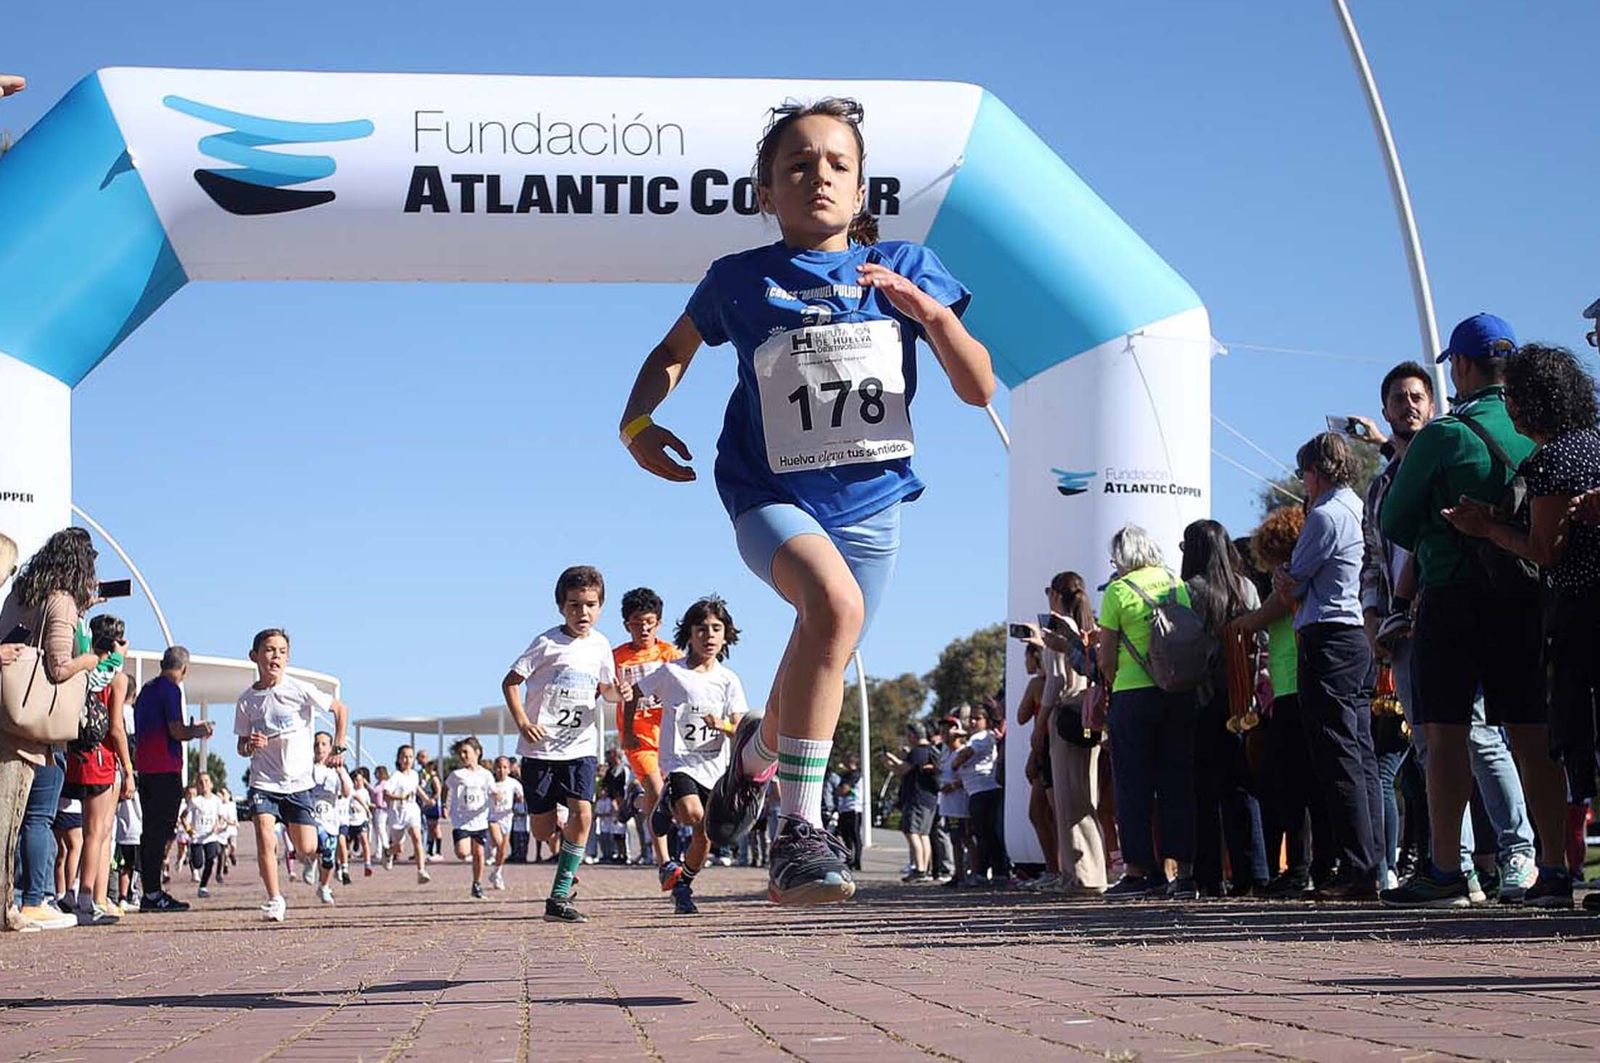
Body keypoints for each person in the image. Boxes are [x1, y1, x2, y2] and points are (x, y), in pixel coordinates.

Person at [619, 97, 994, 906]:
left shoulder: (905, 266)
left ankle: (754, 757)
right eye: (797, 165)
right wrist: (637, 421)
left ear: (861, 188)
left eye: (836, 164)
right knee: (833, 606)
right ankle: (799, 832)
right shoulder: (738, 279)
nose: (818, 176)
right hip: (767, 492)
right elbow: (670, 352)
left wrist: (929, 314)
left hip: (873, 504)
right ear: (766, 191)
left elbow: (979, 387)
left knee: (818, 649)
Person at [1380, 315, 1570, 907]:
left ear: (1460, 366)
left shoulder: (1444, 435)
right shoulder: (1538, 431)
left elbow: (1394, 520)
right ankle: (1554, 868)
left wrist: (1440, 535)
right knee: (1531, 733)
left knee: (1446, 734)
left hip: (1453, 596)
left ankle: (1446, 871)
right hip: (1526, 594)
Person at [1359, 361, 1536, 903]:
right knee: (1431, 745)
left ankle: (1519, 852)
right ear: (1385, 410)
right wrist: (1375, 615)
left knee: (1480, 736)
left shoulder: (1453, 445)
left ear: (1433, 404)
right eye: (1398, 398)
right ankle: (1453, 867)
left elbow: (1413, 533)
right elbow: (1375, 554)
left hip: (1457, 601)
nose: (1409, 405)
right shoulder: (1381, 484)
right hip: (1404, 627)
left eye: (1417, 396)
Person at [1439, 341, 1600, 908]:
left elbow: (1546, 550)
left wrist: (1487, 529)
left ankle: (1554, 871)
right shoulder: (1594, 445)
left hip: (1578, 613)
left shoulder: (1553, 460)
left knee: (1579, 737)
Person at [0, 527, 117, 931]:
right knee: (38, 816)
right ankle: (36, 898)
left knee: (14, 819)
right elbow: (59, 667)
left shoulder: (20, 594)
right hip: (38, 728)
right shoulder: (61, 600)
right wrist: (93, 659)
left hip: (8, 712)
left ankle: (17, 899)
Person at [500, 565, 630, 924]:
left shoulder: (601, 645)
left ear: (600, 606)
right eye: (574, 605)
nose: (582, 612)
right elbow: (509, 682)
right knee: (541, 831)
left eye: (590, 605)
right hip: (540, 750)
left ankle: (558, 897)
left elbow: (606, 690)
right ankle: (559, 829)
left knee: (583, 813)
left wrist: (619, 692)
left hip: (580, 747)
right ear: (561, 607)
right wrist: (523, 723)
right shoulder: (545, 643)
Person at [630, 596, 749, 914]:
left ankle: (684, 885)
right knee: (691, 814)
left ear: (726, 635)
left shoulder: (729, 680)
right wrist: (628, 731)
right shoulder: (672, 672)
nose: (709, 636)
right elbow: (635, 694)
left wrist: (722, 724)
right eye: (702, 629)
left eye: (716, 629)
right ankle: (668, 800)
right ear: (690, 634)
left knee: (705, 837)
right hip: (680, 763)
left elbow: (739, 728)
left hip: (715, 768)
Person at [1098, 524, 1198, 900]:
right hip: (1177, 691)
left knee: (1133, 786)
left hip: (1133, 693)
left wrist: (1114, 682)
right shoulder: (1175, 583)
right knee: (1177, 781)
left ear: (1121, 557)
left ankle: (1140, 871)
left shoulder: (1118, 591)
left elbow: (1106, 657)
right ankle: (1184, 873)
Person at [234, 628, 350, 922]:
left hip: (298, 783)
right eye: (269, 650)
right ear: (254, 656)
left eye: (282, 651)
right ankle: (274, 899)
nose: (276, 656)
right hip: (264, 782)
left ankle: (305, 853)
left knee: (307, 848)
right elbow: (241, 747)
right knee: (263, 835)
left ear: (287, 658)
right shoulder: (247, 700)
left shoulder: (299, 689)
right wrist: (250, 745)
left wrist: (338, 746)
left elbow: (340, 709)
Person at [1181, 520, 1270, 898]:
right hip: (1238, 696)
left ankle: (1209, 876)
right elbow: (1261, 637)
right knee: (1241, 785)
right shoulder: (1245, 587)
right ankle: (1254, 872)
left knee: (1203, 789)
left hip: (1198, 698)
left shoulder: (1187, 591)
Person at [1032, 572, 1110, 895]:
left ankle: (1080, 875)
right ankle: (1087, 870)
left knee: (1069, 800)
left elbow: (1056, 682)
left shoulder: (1059, 630)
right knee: (1086, 795)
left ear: (1055, 595)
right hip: (1088, 716)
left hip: (1066, 716)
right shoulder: (1087, 628)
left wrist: (1040, 725)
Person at [130, 644, 211, 913]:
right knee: (161, 831)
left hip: (146, 768)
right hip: (164, 768)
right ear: (184, 669)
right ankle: (153, 892)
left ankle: (148, 889)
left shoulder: (147, 689)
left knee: (150, 830)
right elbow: (176, 731)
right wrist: (198, 731)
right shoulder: (171, 689)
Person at [614, 587, 683, 871]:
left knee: (668, 799)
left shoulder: (670, 654)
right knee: (657, 790)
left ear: (658, 623)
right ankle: (664, 861)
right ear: (626, 625)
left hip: (668, 737)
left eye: (649, 622)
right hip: (637, 737)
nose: (643, 629)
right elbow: (601, 689)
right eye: (636, 623)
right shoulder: (617, 657)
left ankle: (636, 801)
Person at [1013, 641, 1060, 890]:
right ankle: (1056, 869)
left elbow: (1021, 717)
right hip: (1053, 749)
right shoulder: (1061, 680)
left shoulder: (1037, 684)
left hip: (1046, 751)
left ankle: (1057, 870)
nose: (1025, 663)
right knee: (1045, 812)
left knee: (1049, 813)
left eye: (1027, 657)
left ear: (1035, 656)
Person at [885, 722, 940, 882]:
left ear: (913, 735)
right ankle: (924, 868)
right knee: (923, 834)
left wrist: (892, 758)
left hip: (916, 798)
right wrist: (890, 764)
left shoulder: (918, 751)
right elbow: (905, 773)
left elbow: (904, 769)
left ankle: (920, 869)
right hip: (929, 799)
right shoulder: (929, 750)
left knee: (912, 832)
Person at [444, 736, 496, 899]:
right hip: (461, 820)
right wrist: (445, 805)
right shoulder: (457, 774)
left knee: (479, 853)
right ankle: (462, 845)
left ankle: (477, 884)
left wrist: (497, 796)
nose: (463, 756)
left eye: (466, 752)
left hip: (480, 819)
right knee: (462, 853)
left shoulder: (486, 775)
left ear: (477, 752)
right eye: (461, 753)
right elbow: (446, 787)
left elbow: (492, 791)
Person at [306, 732, 352, 904]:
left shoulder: (336, 769)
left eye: (324, 744)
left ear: (331, 747)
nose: (320, 747)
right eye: (317, 744)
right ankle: (310, 860)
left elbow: (347, 792)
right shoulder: (307, 768)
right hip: (312, 816)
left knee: (328, 857)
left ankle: (324, 886)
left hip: (331, 819)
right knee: (319, 839)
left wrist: (340, 772)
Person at [383, 745, 429, 881]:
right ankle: (388, 852)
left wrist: (426, 799)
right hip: (398, 814)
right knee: (399, 848)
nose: (407, 760)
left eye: (410, 757)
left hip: (412, 811)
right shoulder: (395, 776)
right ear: (398, 759)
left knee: (417, 838)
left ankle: (421, 871)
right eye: (404, 757)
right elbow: (386, 794)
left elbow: (416, 788)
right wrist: (400, 798)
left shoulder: (414, 774)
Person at [935, 718, 970, 886]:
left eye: (947, 730)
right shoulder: (946, 753)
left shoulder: (963, 752)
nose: (943, 734)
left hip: (960, 804)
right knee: (955, 839)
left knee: (966, 838)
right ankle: (958, 873)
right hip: (949, 805)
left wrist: (954, 785)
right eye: (941, 731)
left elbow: (969, 776)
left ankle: (972, 873)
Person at [182, 771, 226, 899]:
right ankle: (192, 858)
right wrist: (189, 829)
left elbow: (221, 817)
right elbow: (183, 816)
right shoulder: (195, 801)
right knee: (198, 864)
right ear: (198, 785)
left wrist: (217, 826)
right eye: (201, 782)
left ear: (211, 784)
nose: (204, 784)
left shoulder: (217, 801)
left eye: (206, 781)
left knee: (211, 859)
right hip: (197, 837)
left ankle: (203, 887)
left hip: (210, 836)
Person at [487, 756, 522, 888]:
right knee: (498, 842)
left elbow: (521, 795)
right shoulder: (490, 783)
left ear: (509, 769)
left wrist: (520, 798)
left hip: (507, 817)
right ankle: (490, 847)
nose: (501, 770)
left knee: (503, 850)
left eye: (504, 767)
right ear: (494, 769)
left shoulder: (513, 783)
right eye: (498, 767)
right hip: (492, 817)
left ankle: (497, 873)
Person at [834, 753, 863, 871]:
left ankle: (857, 860)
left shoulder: (856, 774)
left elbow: (844, 790)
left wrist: (840, 790)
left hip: (854, 808)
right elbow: (839, 790)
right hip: (843, 808)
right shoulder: (845, 775)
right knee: (845, 835)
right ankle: (849, 858)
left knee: (854, 835)